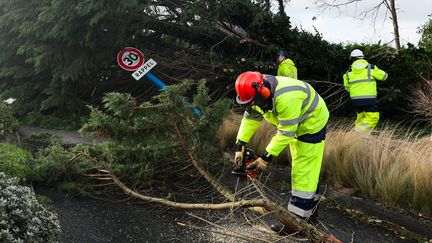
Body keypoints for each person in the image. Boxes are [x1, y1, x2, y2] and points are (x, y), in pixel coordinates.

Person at [233, 71, 329, 226]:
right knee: (309, 171)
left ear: (262, 92)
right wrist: (240, 145)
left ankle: (298, 223)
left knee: (303, 170)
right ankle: (310, 215)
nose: (253, 106)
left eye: (253, 103)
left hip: (311, 123)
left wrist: (265, 158)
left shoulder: (287, 98)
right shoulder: (254, 95)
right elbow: (251, 118)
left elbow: (286, 133)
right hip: (294, 124)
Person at [343, 49, 388, 135]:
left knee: (361, 118)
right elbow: (384, 76)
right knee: (373, 117)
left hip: (355, 100)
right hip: (369, 99)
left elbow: (347, 88)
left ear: (352, 59)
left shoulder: (347, 73)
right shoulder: (371, 68)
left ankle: (356, 140)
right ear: (362, 57)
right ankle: (356, 134)